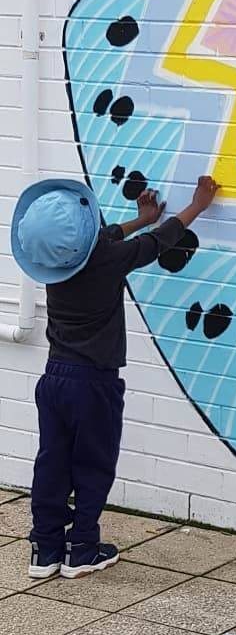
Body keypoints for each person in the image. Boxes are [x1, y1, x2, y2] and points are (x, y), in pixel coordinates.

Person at [11, 174, 220, 579]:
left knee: (52, 462)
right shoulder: (106, 259)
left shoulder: (58, 263)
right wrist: (197, 205)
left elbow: (106, 236)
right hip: (94, 383)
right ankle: (83, 548)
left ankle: (45, 547)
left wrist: (140, 219)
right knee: (93, 463)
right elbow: (160, 243)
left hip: (53, 381)